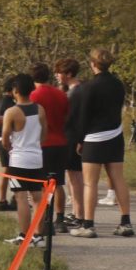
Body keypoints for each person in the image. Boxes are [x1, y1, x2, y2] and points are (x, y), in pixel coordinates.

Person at [72, 48, 133, 237]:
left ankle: (88, 225)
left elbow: (83, 116)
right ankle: (126, 222)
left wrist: (79, 139)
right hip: (115, 135)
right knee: (118, 179)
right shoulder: (118, 84)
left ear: (92, 64)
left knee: (90, 184)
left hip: (94, 138)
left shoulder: (88, 87)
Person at [0, 74, 48, 248]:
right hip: (36, 157)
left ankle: (24, 236)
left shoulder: (11, 112)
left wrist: (11, 148)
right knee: (37, 197)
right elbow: (44, 134)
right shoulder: (40, 109)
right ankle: (39, 236)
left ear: (15, 90)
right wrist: (35, 145)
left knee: (21, 198)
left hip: (19, 159)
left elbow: (5, 138)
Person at [29, 63, 70, 234]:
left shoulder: (33, 95)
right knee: (58, 183)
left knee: (40, 185)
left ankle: (44, 219)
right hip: (60, 141)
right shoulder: (60, 94)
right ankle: (60, 218)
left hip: (42, 143)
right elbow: (67, 116)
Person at [55, 58, 87, 228]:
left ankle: (80, 214)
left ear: (68, 74)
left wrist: (80, 140)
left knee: (75, 176)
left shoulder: (77, 91)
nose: (57, 75)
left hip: (74, 137)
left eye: (59, 72)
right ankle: (75, 212)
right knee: (71, 175)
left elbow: (78, 118)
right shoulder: (71, 90)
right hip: (69, 136)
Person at [0, 77, 17, 212]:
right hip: (6, 138)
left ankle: (3, 199)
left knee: (7, 169)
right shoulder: (10, 104)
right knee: (13, 169)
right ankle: (14, 197)